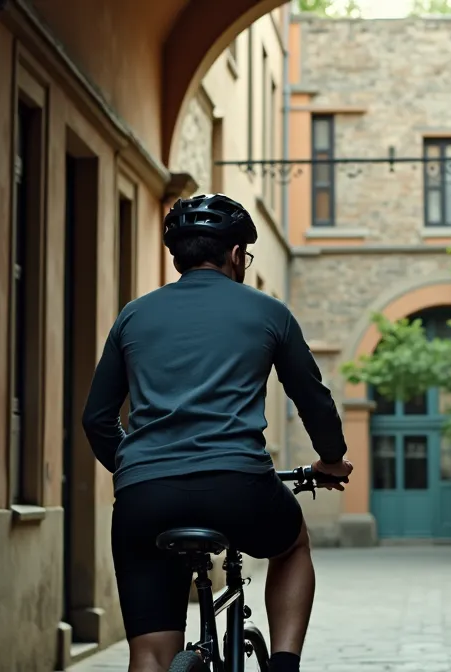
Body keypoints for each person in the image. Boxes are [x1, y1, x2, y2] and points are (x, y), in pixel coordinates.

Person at [82, 193, 353, 672]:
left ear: (177, 256)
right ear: (234, 255)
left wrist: (136, 466)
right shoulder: (269, 313)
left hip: (144, 495)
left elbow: (97, 418)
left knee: (149, 652)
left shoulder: (134, 315)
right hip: (237, 485)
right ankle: (285, 666)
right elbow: (312, 399)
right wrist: (330, 459)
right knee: (292, 546)